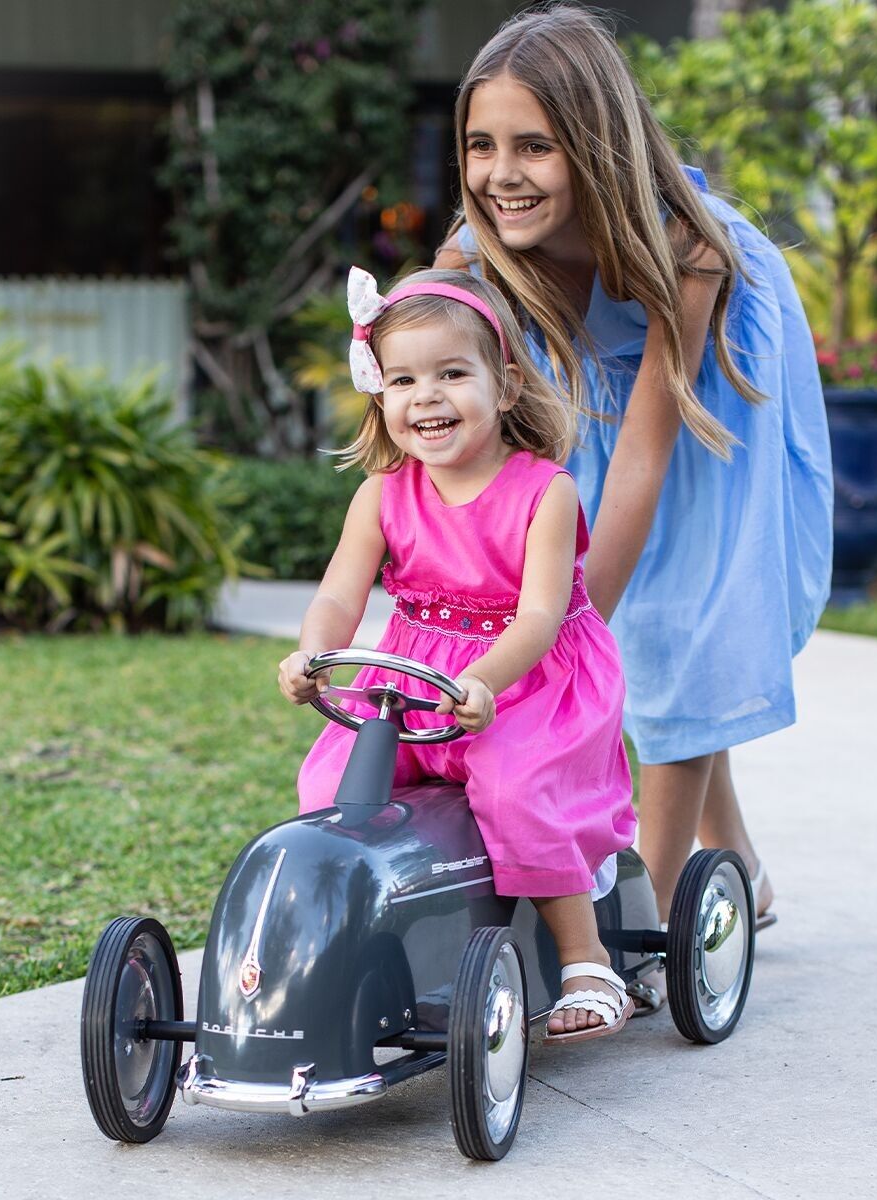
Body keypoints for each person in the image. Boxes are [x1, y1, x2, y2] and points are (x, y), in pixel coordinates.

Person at [434, 3, 833, 1004]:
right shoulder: (471, 261)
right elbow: (464, 443)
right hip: (591, 397)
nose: (501, 173)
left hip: (714, 392)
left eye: (537, 146)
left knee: (676, 622)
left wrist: (566, 640)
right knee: (592, 593)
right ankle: (731, 858)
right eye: (482, 145)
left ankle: (650, 916)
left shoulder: (687, 251)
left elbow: (649, 456)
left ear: (598, 148)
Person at [279, 265, 637, 1042]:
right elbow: (341, 595)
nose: (426, 396)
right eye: (402, 378)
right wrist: (313, 654)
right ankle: (359, 938)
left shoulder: (545, 491)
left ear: (504, 385)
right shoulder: (382, 492)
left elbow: (541, 615)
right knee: (337, 780)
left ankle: (586, 959)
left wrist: (482, 681)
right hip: (413, 675)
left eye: (451, 373)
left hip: (528, 678)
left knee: (513, 786)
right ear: (380, 394)